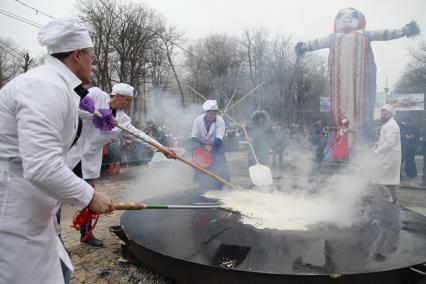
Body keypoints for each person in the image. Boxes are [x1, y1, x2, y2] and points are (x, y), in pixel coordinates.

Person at [0, 17, 114, 284]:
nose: (92, 65)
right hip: (14, 210)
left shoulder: (56, 85)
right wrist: (89, 195)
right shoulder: (43, 86)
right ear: (77, 55)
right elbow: (41, 165)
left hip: (33, 209)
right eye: (91, 58)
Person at [191, 100, 230, 189]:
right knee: (200, 165)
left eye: (215, 113)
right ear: (206, 112)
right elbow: (194, 137)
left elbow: (219, 137)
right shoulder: (197, 120)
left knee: (219, 166)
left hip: (216, 145)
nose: (213, 115)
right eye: (211, 113)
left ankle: (220, 184)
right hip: (201, 145)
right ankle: (202, 184)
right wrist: (200, 148)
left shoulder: (220, 121)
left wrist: (211, 147)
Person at [373, 104, 401, 205]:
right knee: (391, 180)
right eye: (382, 113)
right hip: (388, 156)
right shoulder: (387, 124)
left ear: (391, 114)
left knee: (377, 179)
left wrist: (378, 151)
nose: (383, 115)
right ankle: (396, 201)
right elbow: (386, 140)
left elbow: (390, 143)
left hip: (389, 157)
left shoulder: (392, 125)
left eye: (385, 113)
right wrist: (378, 143)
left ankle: (389, 199)